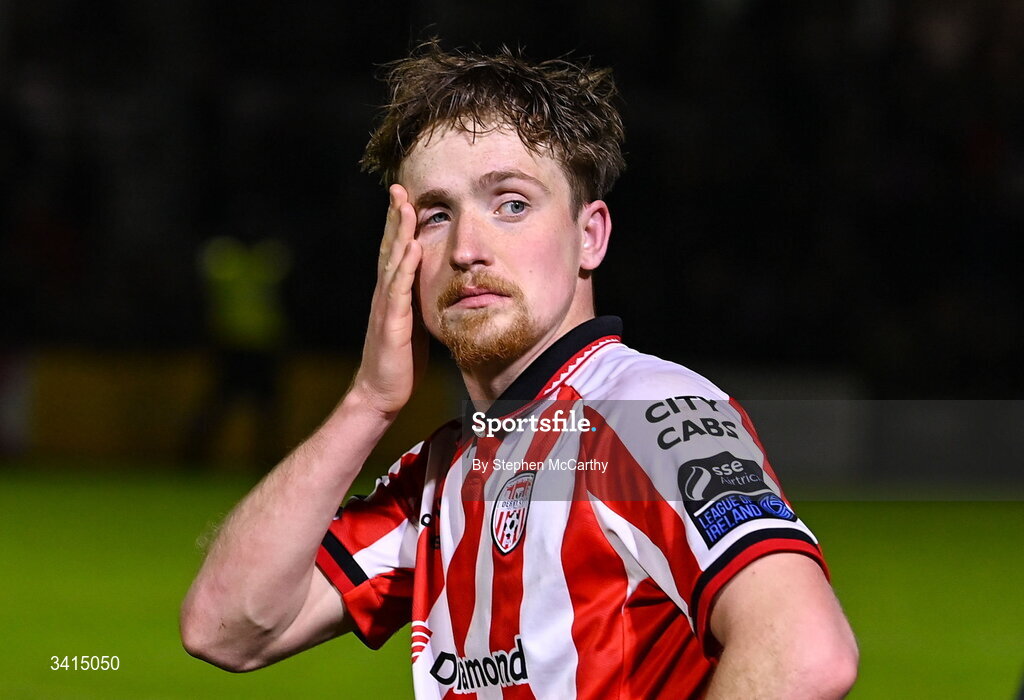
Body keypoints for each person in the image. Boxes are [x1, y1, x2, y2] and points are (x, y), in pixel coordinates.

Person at [181, 42, 858, 698]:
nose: (469, 248)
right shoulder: (443, 476)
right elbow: (225, 628)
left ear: (589, 235)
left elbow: (805, 651)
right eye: (438, 215)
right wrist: (368, 402)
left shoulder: (644, 413)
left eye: (511, 203)